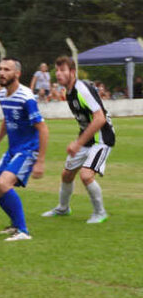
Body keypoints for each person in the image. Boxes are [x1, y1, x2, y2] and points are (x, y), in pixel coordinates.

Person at [42, 56, 115, 224]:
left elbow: (100, 119)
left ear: (73, 72)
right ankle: (63, 209)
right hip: (87, 137)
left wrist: (78, 143)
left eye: (63, 70)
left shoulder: (82, 89)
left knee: (86, 175)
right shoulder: (68, 91)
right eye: (57, 70)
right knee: (67, 174)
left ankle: (100, 212)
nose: (58, 74)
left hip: (102, 138)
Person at [0, 57, 48, 241]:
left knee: (4, 184)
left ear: (17, 74)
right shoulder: (3, 95)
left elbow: (43, 129)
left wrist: (40, 161)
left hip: (28, 149)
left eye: (7, 69)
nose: (2, 73)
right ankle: (15, 225)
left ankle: (23, 231)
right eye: (0, 69)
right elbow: (7, 120)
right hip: (13, 148)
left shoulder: (26, 97)